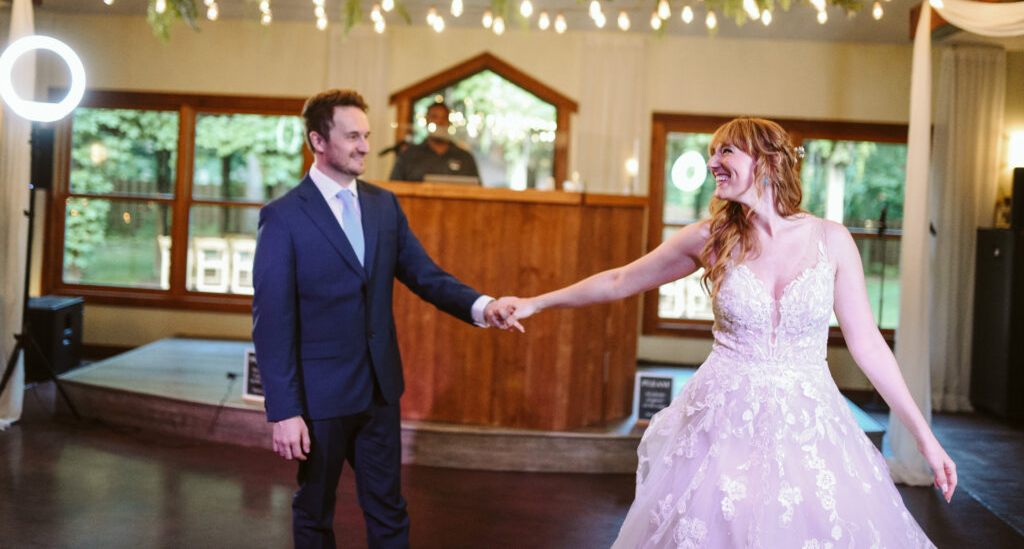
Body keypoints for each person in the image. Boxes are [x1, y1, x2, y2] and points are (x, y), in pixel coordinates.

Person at [500, 117, 956, 547]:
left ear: (770, 161)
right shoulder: (709, 239)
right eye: (711, 152)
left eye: (727, 151)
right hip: (722, 425)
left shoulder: (831, 239)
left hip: (809, 424)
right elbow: (619, 280)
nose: (712, 162)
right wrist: (536, 302)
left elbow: (869, 344)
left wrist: (923, 437)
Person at [252, 89, 520, 549]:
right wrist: (284, 410)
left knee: (389, 510)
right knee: (314, 513)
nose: (363, 146)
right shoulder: (282, 218)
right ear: (318, 140)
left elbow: (425, 276)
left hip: (379, 392)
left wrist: (483, 305)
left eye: (366, 136)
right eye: (352, 136)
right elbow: (271, 322)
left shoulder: (383, 206)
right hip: (319, 401)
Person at [389, 101, 481, 182]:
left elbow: (478, 192)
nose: (440, 122)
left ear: (449, 122)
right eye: (434, 117)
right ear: (427, 121)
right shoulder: (408, 156)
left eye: (444, 117)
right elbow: (394, 189)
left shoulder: (465, 158)